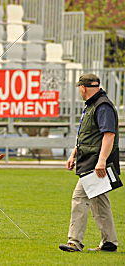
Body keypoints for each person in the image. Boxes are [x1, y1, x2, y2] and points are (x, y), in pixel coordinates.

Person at [59, 73, 120, 252]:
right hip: (90, 161)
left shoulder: (102, 106)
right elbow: (88, 135)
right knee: (99, 202)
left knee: (79, 198)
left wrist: (101, 161)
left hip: (95, 164)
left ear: (83, 88)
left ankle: (74, 242)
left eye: (79, 88)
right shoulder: (94, 105)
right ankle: (109, 242)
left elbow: (109, 135)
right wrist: (74, 154)